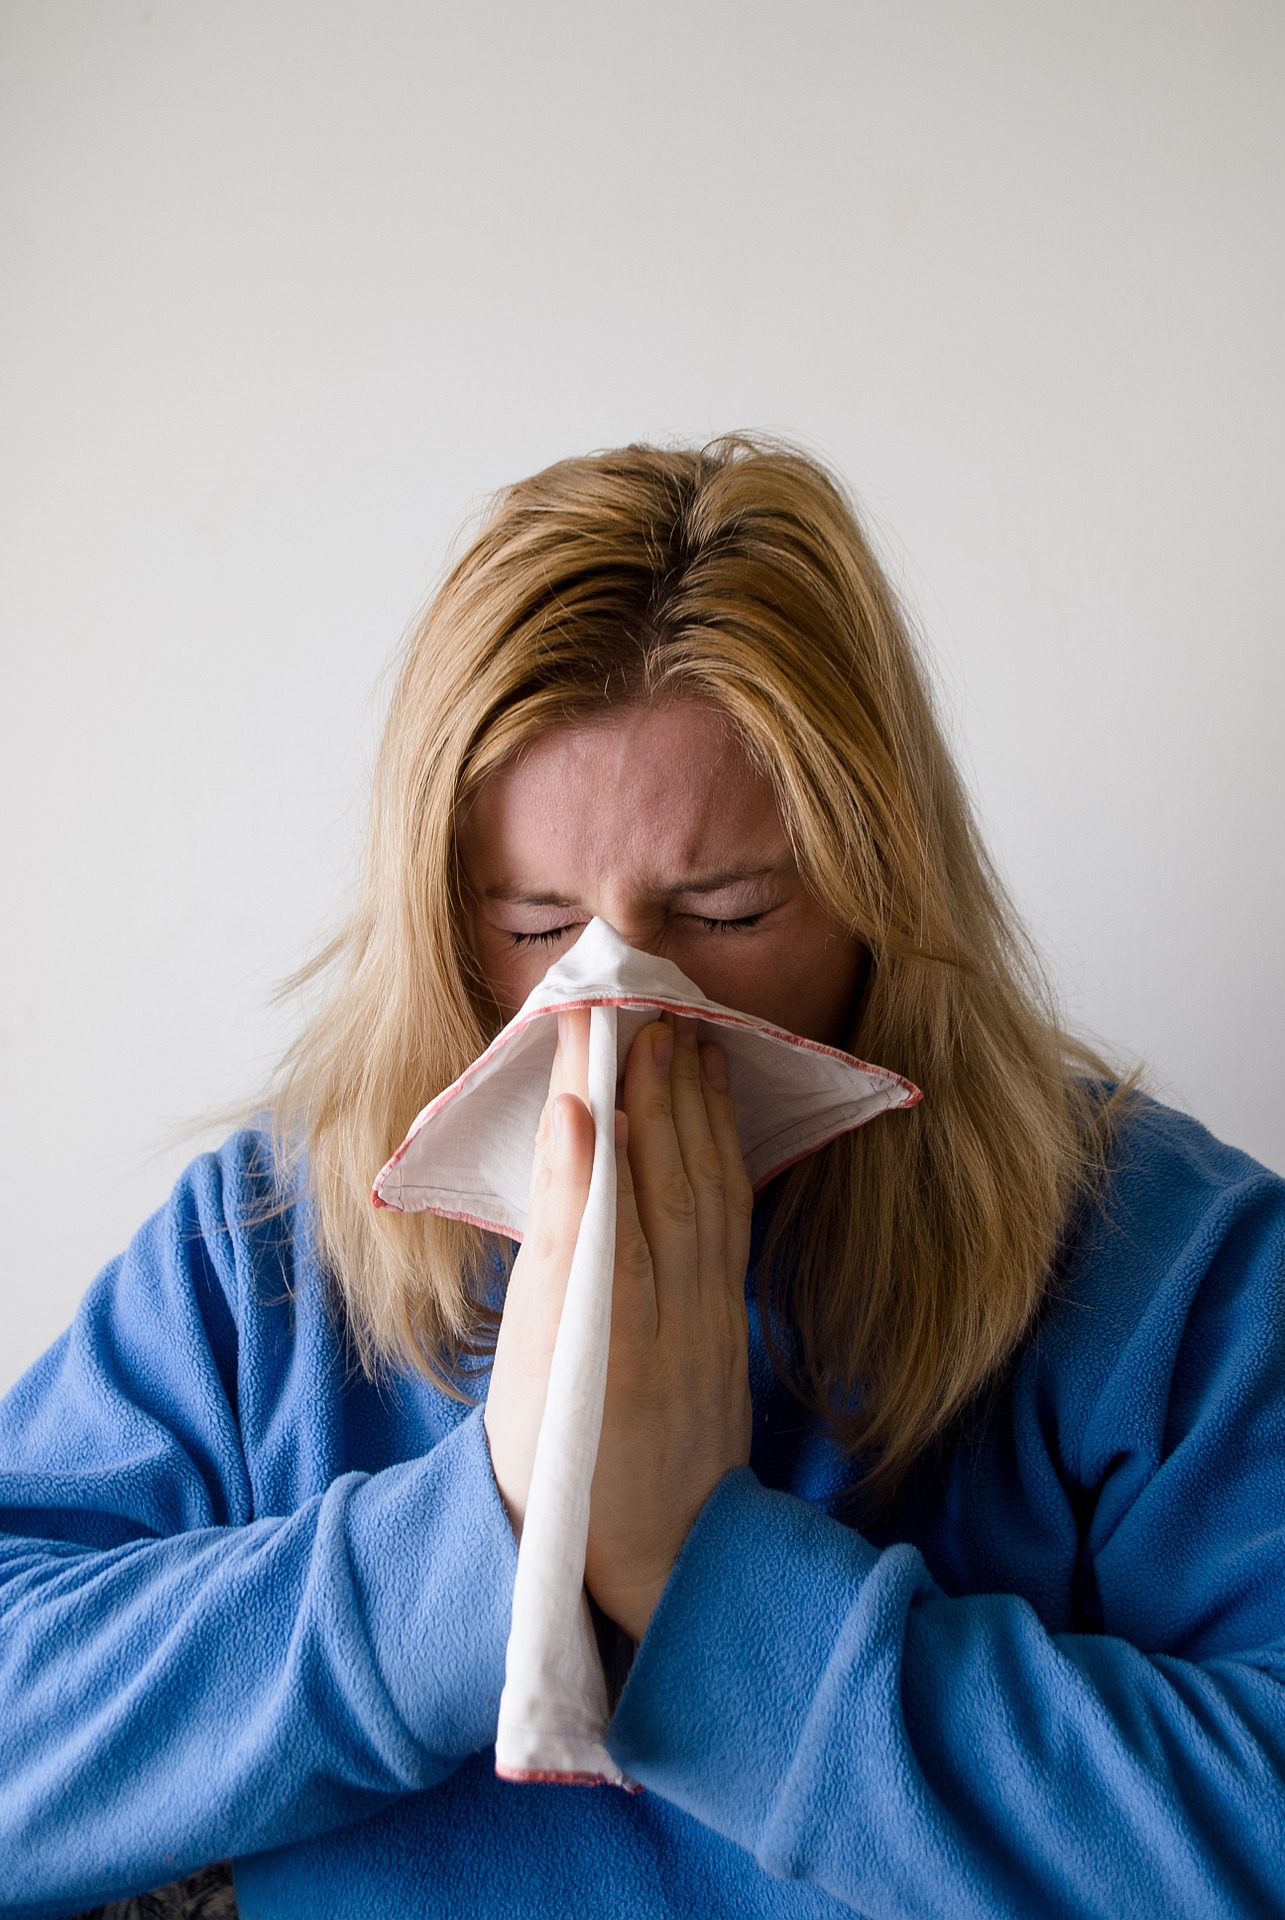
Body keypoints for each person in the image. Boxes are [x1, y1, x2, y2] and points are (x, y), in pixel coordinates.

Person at [3, 438, 1283, 1920]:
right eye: (538, 926)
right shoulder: (267, 1255)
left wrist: (700, 1584)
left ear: (882, 896)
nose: (618, 1004)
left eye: (728, 910)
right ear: (440, 918)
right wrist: (490, 1528)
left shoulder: (1157, 1264)